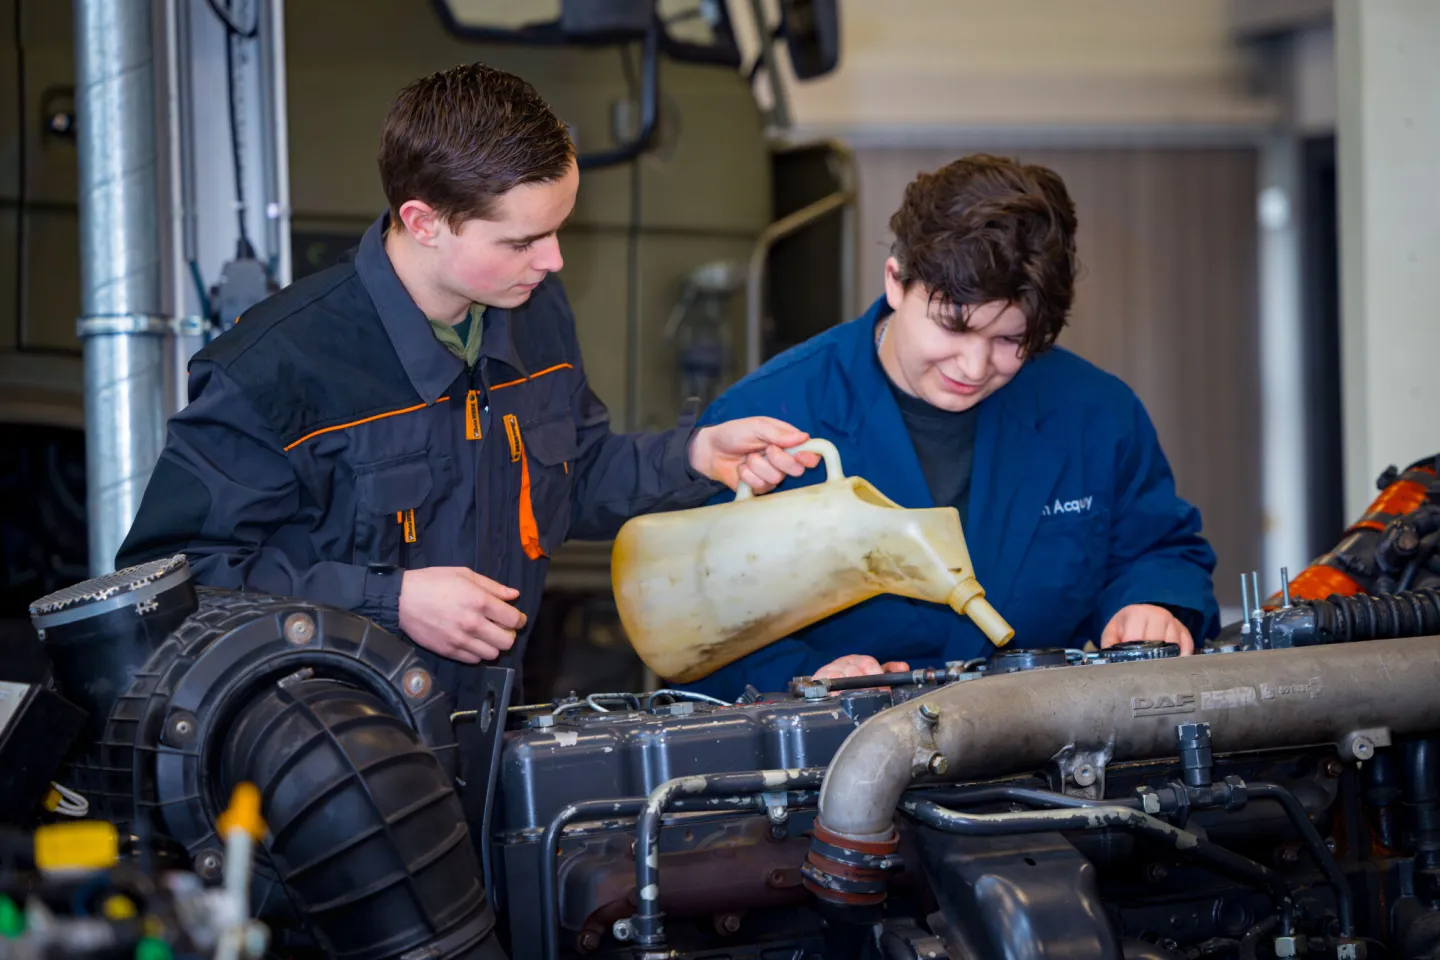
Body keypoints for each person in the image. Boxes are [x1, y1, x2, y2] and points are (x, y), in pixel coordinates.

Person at [115, 63, 820, 706]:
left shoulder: (531, 312)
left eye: (558, 229)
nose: (553, 260)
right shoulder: (274, 368)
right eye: (521, 241)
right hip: (315, 743)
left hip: (479, 724)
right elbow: (177, 577)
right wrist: (390, 601)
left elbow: (567, 477)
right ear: (424, 222)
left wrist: (695, 458)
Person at [681, 154, 1219, 699]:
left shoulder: (1097, 415)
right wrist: (803, 677)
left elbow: (1158, 550)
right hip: (832, 760)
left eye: (1011, 340)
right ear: (896, 281)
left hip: (1050, 757)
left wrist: (1150, 605)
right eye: (952, 327)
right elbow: (699, 615)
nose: (974, 367)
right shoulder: (766, 416)